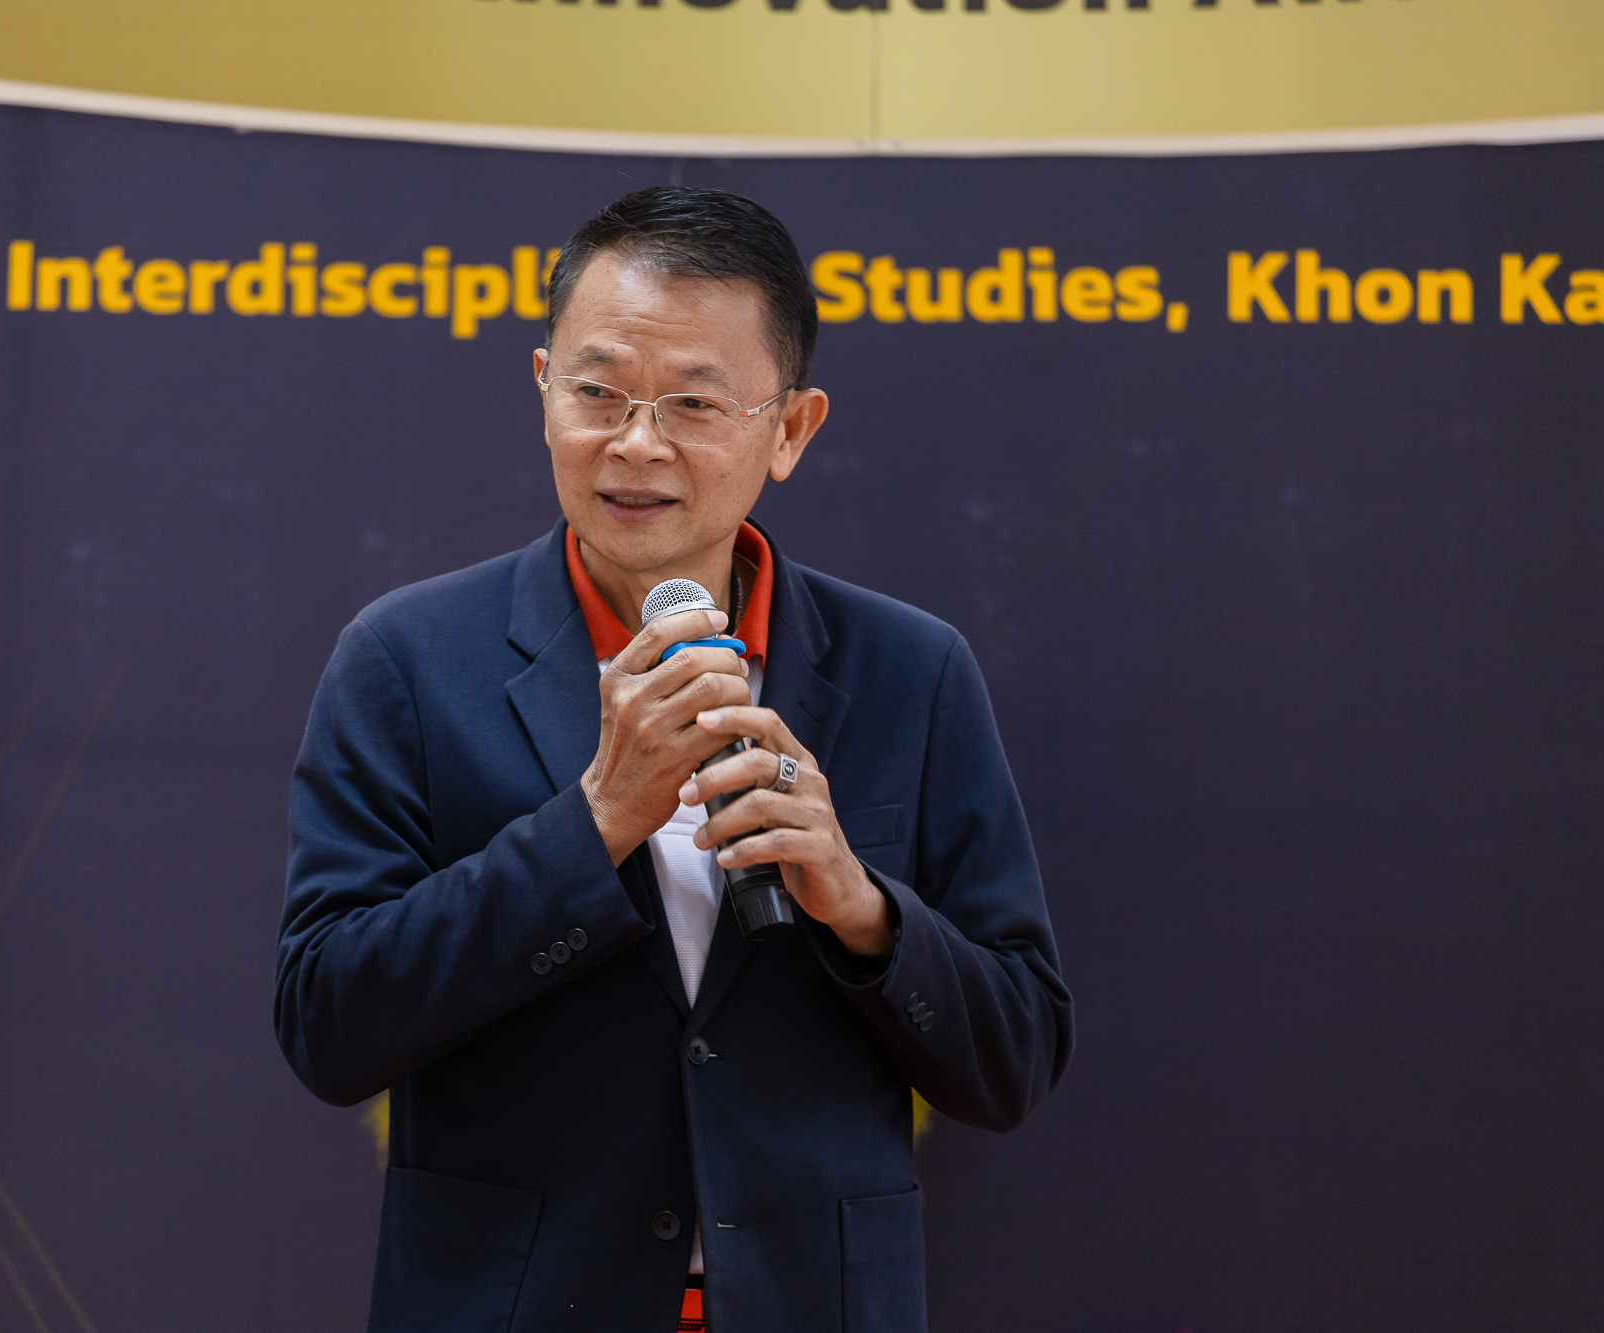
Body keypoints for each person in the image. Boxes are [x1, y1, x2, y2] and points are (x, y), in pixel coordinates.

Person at [277, 186, 1072, 1333]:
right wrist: (593, 822)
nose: (635, 443)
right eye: (596, 391)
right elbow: (328, 1022)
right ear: (541, 389)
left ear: (789, 430)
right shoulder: (406, 659)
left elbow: (1013, 1055)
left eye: (693, 403)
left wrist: (857, 909)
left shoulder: (910, 672)